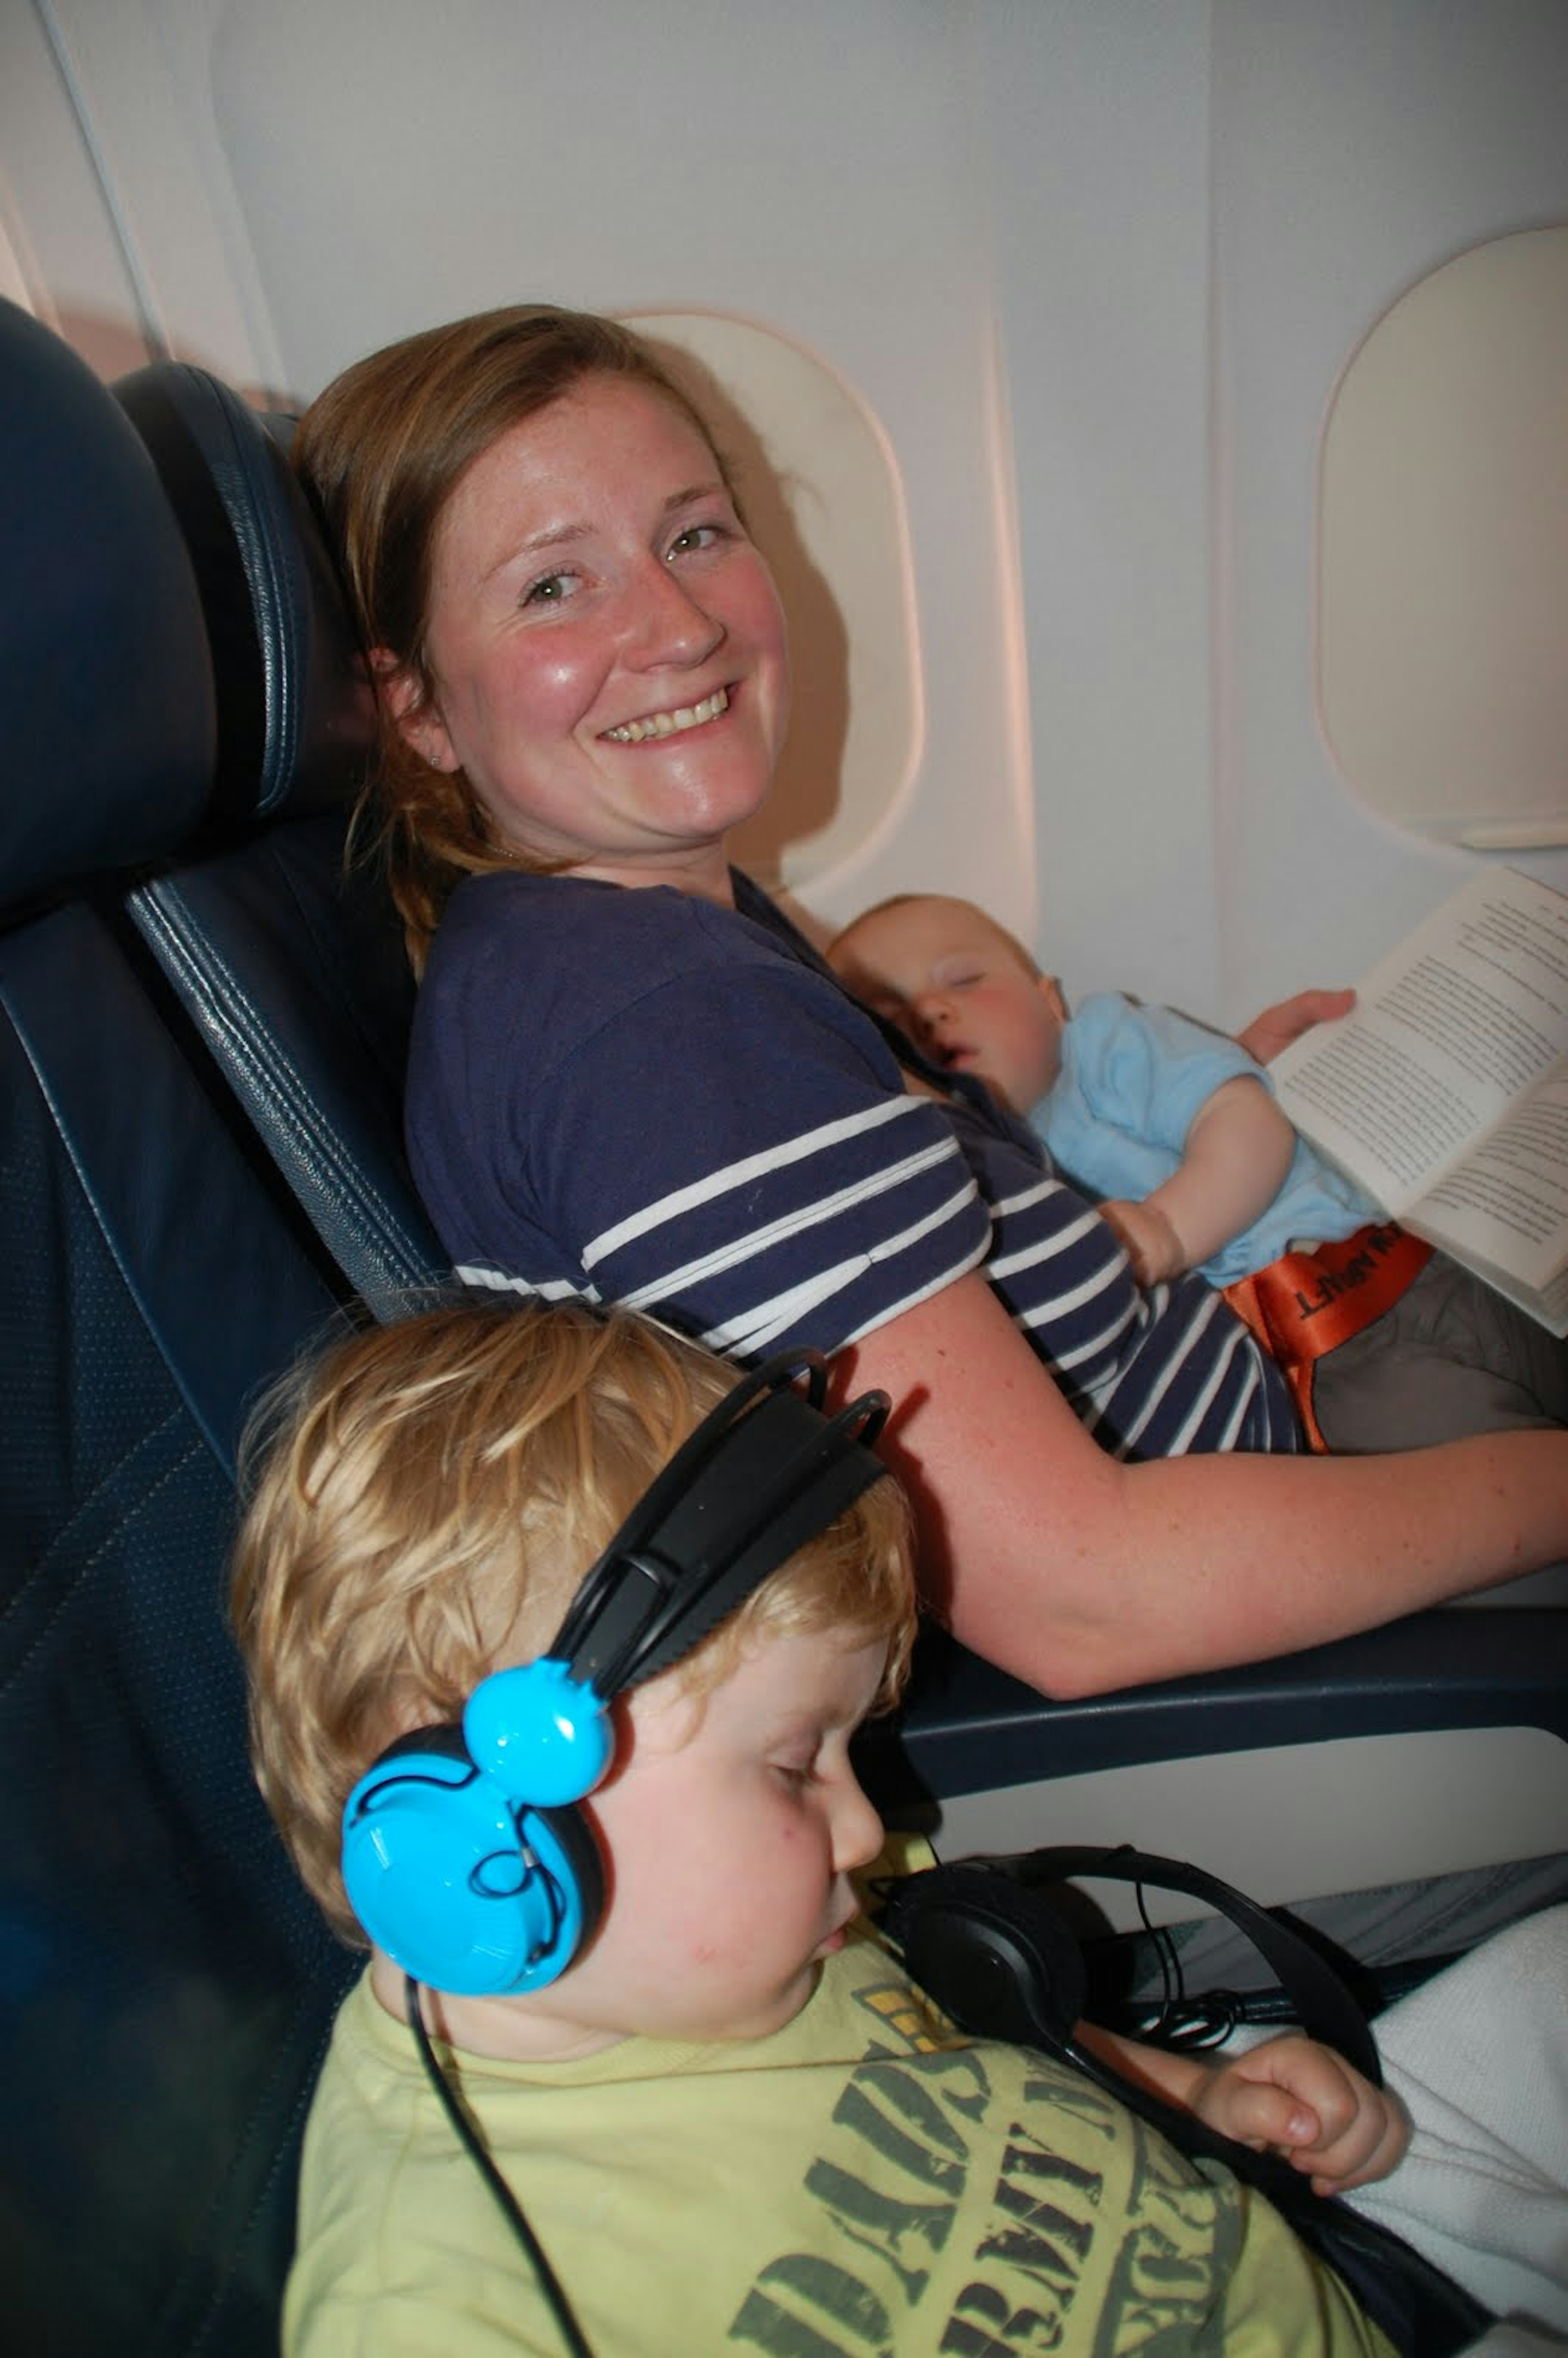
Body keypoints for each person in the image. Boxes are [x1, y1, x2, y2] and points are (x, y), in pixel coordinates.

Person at [290, 302, 1568, 1714]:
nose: (680, 620)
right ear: (414, 708)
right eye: (552, 587)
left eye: (696, 532)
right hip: (1262, 1681)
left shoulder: (638, 940)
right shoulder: (648, 1023)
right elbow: (1087, 1601)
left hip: (1275, 1475)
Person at [233, 1296, 1454, 2358]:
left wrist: (1201, 2095)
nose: (868, 1828)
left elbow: (981, 2053)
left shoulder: (760, 1934)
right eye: (790, 1762)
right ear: (481, 1820)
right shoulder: (444, 2303)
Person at [825, 891, 1568, 1454]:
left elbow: (1247, 1123)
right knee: (1489, 1475)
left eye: (962, 979)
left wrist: (1165, 1231)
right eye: (892, 1016)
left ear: (1050, 1001)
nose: (929, 1011)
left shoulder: (1105, 1045)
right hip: (1327, 1364)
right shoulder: (984, 1170)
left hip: (1407, 1268)